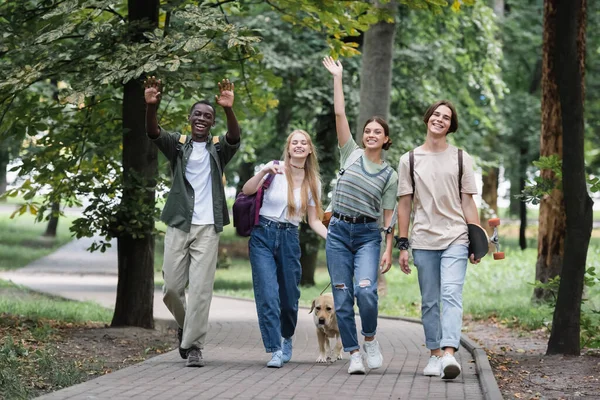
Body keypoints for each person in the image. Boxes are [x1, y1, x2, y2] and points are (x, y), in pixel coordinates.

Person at [144, 76, 241, 367]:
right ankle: (188, 328)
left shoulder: (217, 147)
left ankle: (195, 346)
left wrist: (228, 109)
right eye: (197, 114)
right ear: (189, 119)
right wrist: (152, 106)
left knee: (200, 290)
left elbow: (234, 137)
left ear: (212, 123)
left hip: (208, 227)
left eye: (207, 116)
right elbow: (153, 132)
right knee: (172, 288)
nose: (201, 118)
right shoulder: (177, 144)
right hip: (178, 222)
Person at [322, 56, 398, 375]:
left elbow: (389, 217)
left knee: (365, 291)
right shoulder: (349, 153)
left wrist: (389, 250)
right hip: (338, 232)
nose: (370, 134)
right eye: (367, 130)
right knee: (341, 298)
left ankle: (369, 339)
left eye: (376, 132)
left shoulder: (389, 175)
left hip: (368, 236)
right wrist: (338, 77)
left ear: (385, 139)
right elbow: (339, 112)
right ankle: (353, 353)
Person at [396, 100, 481, 380]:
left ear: (450, 125)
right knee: (430, 300)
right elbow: (405, 205)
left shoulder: (461, 158)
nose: (440, 119)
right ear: (427, 119)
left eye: (446, 117)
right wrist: (403, 243)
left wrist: (476, 239)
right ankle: (434, 355)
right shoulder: (409, 160)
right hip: (423, 239)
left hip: (456, 235)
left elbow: (468, 202)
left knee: (451, 295)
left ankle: (448, 354)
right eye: (436, 114)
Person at [242, 130, 328, 368]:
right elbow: (247, 191)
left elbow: (314, 221)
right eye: (294, 142)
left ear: (310, 149)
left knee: (290, 299)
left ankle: (286, 336)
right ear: (288, 148)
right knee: (268, 295)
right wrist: (263, 172)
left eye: (304, 143)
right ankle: (275, 349)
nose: (299, 146)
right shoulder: (274, 168)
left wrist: (334, 241)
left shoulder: (314, 182)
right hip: (263, 235)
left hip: (289, 238)